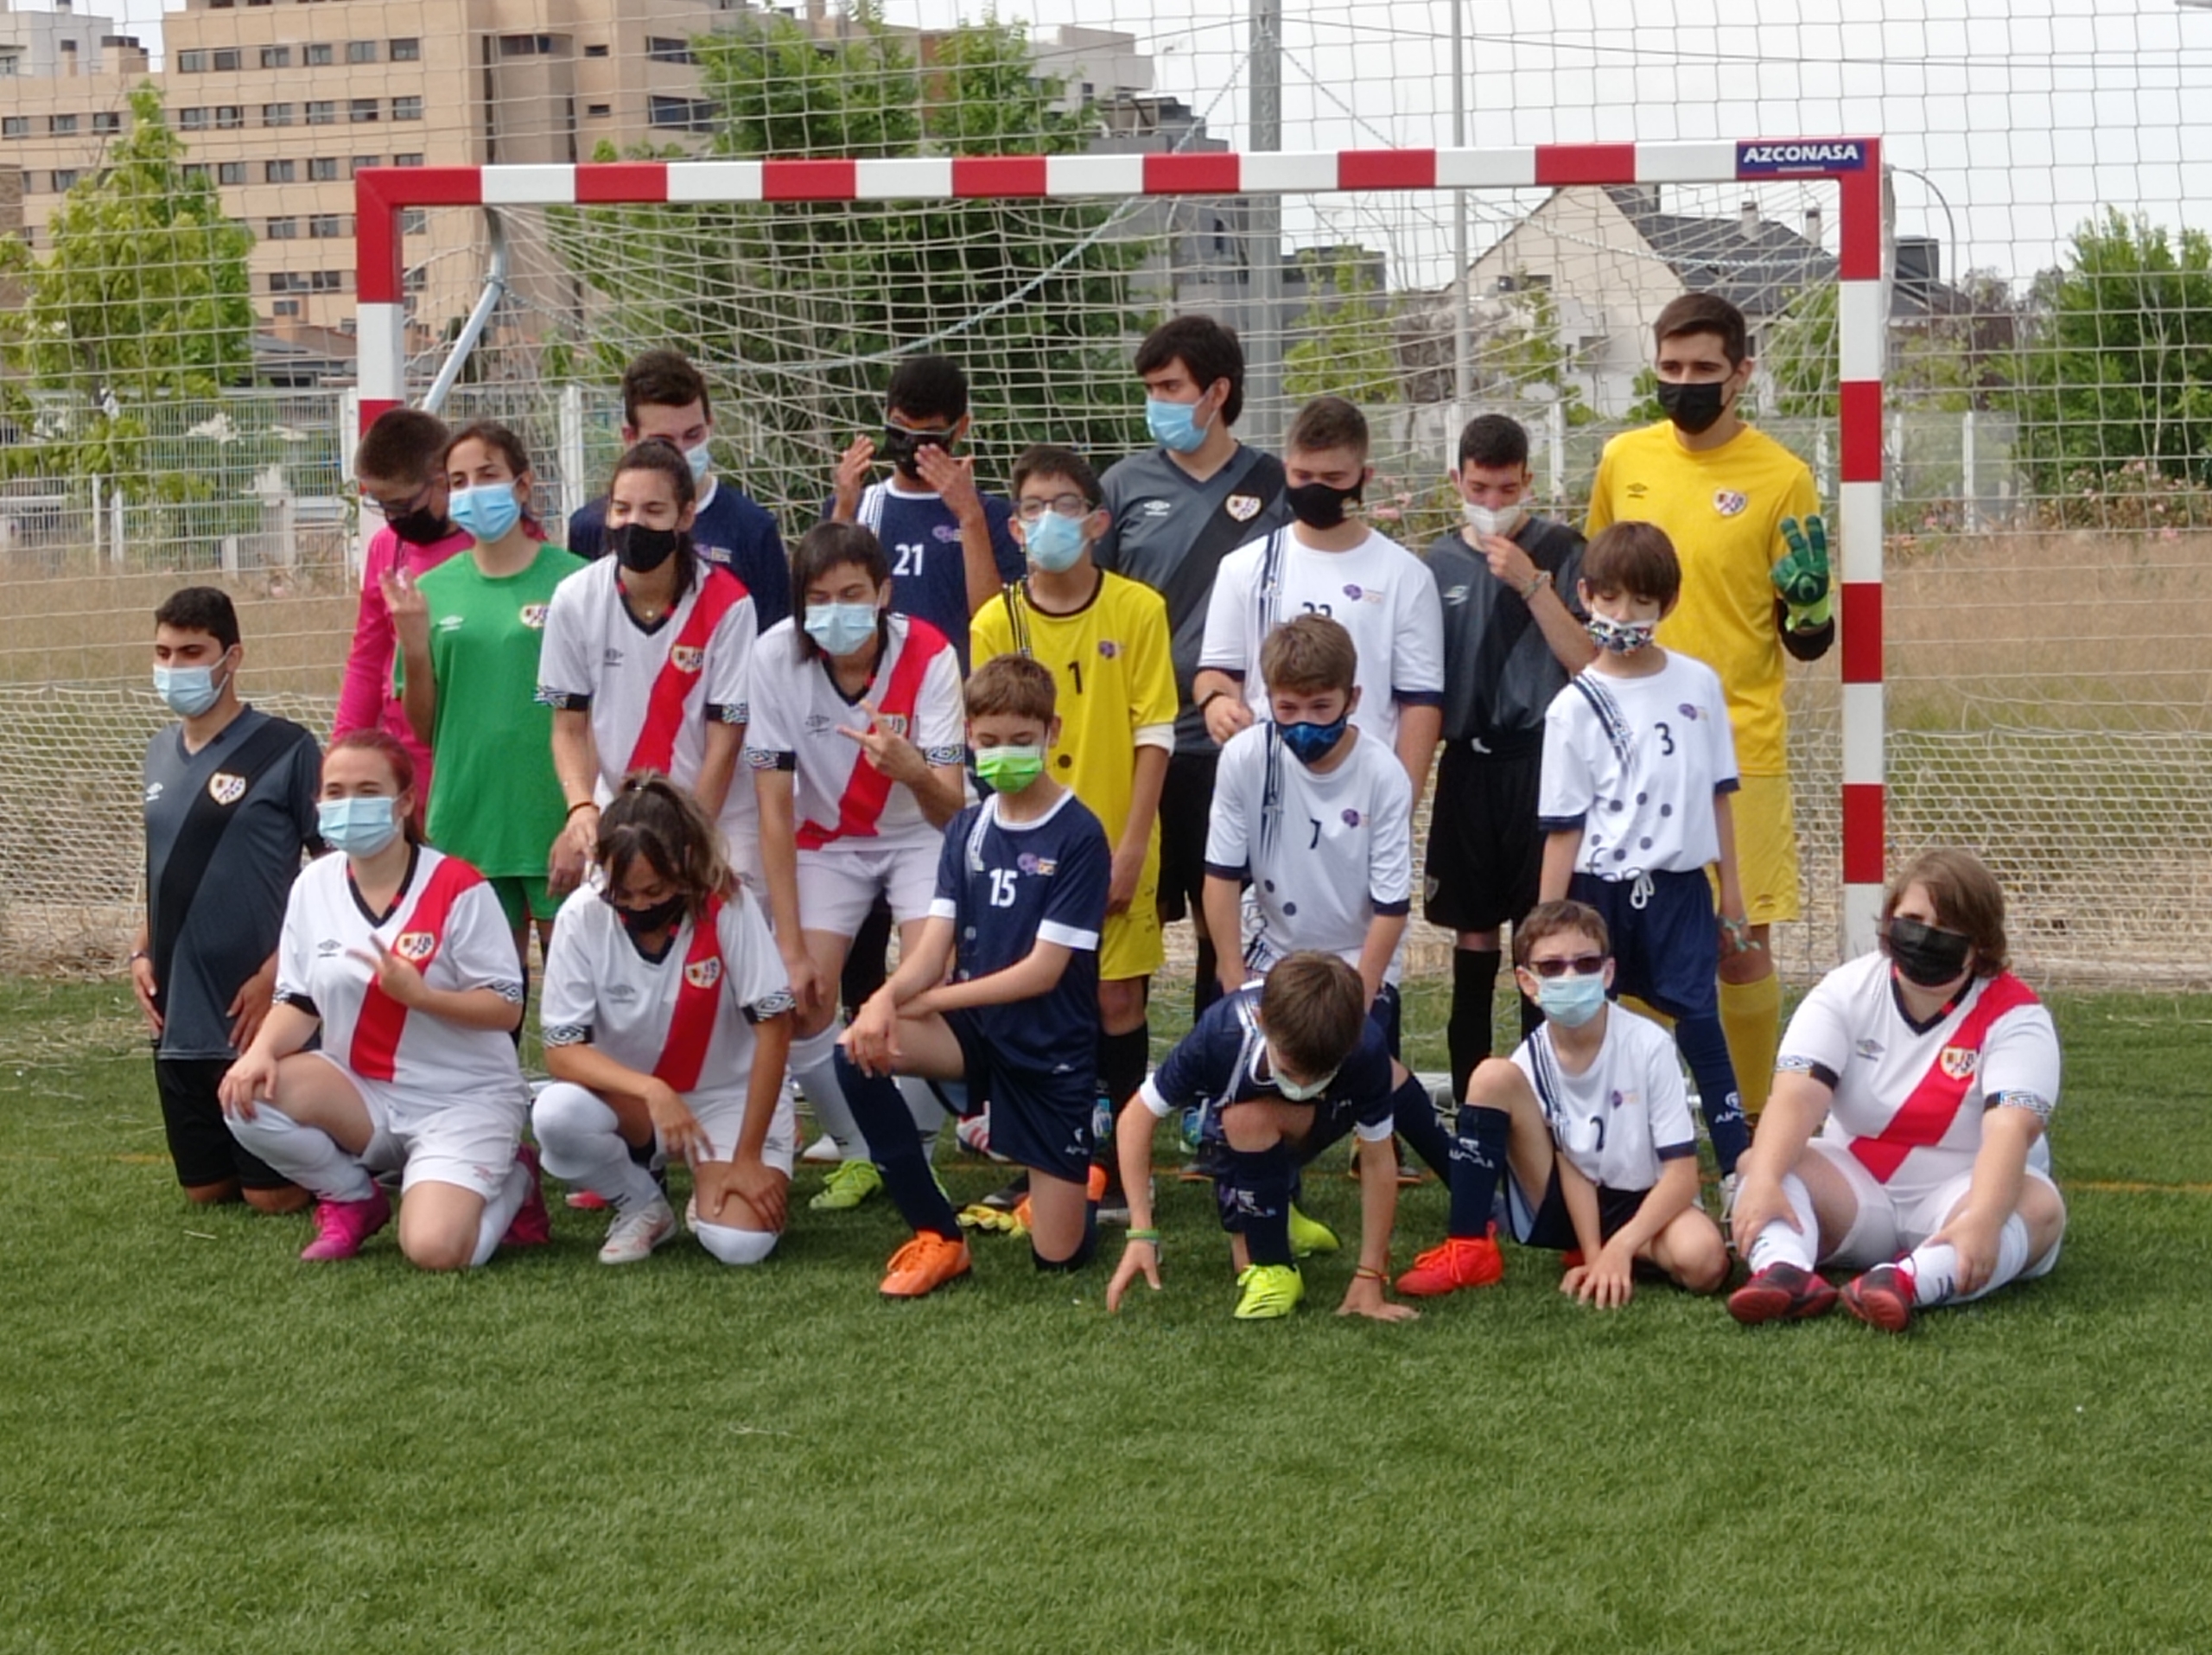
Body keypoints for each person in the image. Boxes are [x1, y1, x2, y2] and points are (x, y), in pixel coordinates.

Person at [1587, 292, 1833, 1127]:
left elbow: (1806, 638)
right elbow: (1600, 594)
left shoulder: (1784, 476)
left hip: (1740, 745)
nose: (1685, 384)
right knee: (1639, 944)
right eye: (1671, 368)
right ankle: (1642, 1128)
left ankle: (1760, 1128)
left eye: (1703, 370)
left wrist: (1808, 609)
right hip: (1632, 750)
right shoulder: (1624, 459)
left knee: (1739, 946)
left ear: (1742, 374)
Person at [832, 655, 1111, 1299]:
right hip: (975, 1033)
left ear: (1052, 732)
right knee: (855, 1049)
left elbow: (1041, 973)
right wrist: (883, 1000)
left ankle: (1079, 1182)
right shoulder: (965, 827)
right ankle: (939, 1235)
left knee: (1059, 1260)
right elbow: (931, 949)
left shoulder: (1079, 835)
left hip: (1049, 1048)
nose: (1002, 754)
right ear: (969, 741)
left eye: (1020, 740)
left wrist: (928, 997)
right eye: (987, 743)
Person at [217, 731, 545, 1269]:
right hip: (362, 1091)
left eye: (368, 791)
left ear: (406, 801)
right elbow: (298, 1002)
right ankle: (352, 1197)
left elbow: (506, 1008)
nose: (349, 806)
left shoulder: (460, 887)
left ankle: (515, 1179)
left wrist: (423, 997)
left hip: (461, 1099)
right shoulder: (312, 885)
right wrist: (259, 1052)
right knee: (246, 1095)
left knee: (435, 1251)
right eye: (335, 792)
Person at [967, 443, 1177, 1224]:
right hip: (1027, 844)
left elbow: (1155, 733)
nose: (1047, 520)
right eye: (1031, 507)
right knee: (1034, 1001)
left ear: (1096, 520)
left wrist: (1130, 845)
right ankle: (1043, 1165)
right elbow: (988, 736)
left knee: (1118, 1002)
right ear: (1015, 528)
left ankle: (1125, 1170)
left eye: (1063, 505)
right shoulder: (999, 619)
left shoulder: (1138, 609)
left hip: (1116, 837)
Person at [1728, 850, 2066, 1331]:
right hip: (1856, 1194)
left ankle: (1903, 1285)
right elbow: (1796, 1096)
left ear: (1981, 944)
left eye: (1948, 929)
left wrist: (1984, 1219)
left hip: (1960, 1194)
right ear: (1889, 920)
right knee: (1760, 1163)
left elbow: (2011, 1131)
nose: (1927, 936)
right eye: (1913, 919)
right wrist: (1762, 1181)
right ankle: (1784, 1273)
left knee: (2040, 1208)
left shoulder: (2018, 1017)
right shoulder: (1844, 990)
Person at [747, 522, 968, 1213]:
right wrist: (788, 944)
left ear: (883, 593)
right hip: (823, 841)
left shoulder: (930, 653)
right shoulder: (774, 656)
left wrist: (911, 770)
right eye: (818, 597)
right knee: (802, 995)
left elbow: (951, 811)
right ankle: (859, 1147)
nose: (834, 610)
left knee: (925, 987)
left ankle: (918, 1140)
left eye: (851, 594)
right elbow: (774, 812)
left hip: (915, 834)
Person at [1537, 521, 1754, 1196]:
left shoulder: (1699, 685)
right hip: (1597, 894)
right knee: (1586, 1024)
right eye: (1609, 599)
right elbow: (1564, 827)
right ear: (1585, 596)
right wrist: (1547, 920)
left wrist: (1733, 894)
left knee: (1699, 1022)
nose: (1623, 616)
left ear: (1669, 603)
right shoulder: (1573, 707)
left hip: (1680, 889)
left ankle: (1737, 1165)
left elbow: (1720, 795)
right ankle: (1580, 1164)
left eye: (1640, 602)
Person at [1093, 315, 1291, 1021]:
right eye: (1150, 388)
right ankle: (1113, 1080)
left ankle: (1218, 1064)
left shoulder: (1277, 486)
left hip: (1230, 745)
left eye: (1171, 386)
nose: (1158, 403)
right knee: (1127, 908)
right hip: (1137, 743)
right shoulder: (1121, 486)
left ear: (1217, 392)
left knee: (1225, 912)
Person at [1203, 617, 1446, 1174]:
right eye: (1287, 710)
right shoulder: (1245, 758)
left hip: (1358, 959)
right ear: (1267, 699)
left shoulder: (1383, 774)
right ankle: (1274, 1204)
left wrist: (1357, 999)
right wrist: (1233, 976)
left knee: (1362, 1066)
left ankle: (1469, 1189)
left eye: (1321, 707)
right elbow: (1219, 875)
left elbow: (1391, 907)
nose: (1304, 724)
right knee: (1238, 1104)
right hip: (1274, 954)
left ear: (1352, 698)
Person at [1395, 900, 1730, 1304]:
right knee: (1490, 1076)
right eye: (1552, 968)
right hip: (1569, 1205)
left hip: (1650, 1200)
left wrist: (1618, 1249)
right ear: (1527, 982)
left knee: (1705, 1262)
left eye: (1586, 964)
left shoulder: (1649, 1044)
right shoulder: (1530, 1061)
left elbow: (1681, 1176)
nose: (1571, 976)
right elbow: (1573, 1166)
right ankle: (1469, 1247)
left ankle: (1631, 1248)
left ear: (1608, 973)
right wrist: (1593, 1253)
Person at [532, 774, 798, 1266]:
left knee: (741, 1245)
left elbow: (775, 1029)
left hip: (728, 1095)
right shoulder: (580, 916)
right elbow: (562, 1052)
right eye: (623, 894)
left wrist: (746, 1159)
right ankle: (641, 1203)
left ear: (685, 863)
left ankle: (715, 1173)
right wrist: (653, 1090)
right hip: (638, 1101)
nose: (639, 906)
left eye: (654, 891)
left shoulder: (728, 904)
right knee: (556, 1115)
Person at [134, 586, 322, 1213]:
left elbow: (334, 879)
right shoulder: (157, 751)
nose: (175, 668)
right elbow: (158, 865)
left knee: (272, 1199)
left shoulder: (288, 749)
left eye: (192, 652)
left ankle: (359, 1156)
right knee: (206, 1194)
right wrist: (139, 950)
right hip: (178, 1015)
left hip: (256, 1012)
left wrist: (280, 974)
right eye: (163, 653)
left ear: (231, 656)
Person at [1425, 414, 1595, 1100]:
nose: (1492, 504)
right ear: (1456, 483)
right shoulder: (1434, 564)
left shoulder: (1564, 550)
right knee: (1472, 938)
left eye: (1505, 488)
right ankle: (1474, 1104)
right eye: (1478, 488)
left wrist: (1532, 583)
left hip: (1544, 766)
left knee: (1541, 935)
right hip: (1467, 765)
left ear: (1528, 481)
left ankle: (1542, 1098)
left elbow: (1588, 663)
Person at [1105, 952, 1418, 1323]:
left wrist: (1370, 1274)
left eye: (1317, 1075)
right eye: (1290, 1068)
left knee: (1250, 1118)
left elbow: (1378, 1158)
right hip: (1236, 1127)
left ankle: (1278, 1238)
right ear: (1261, 1021)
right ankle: (1279, 1238)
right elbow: (1135, 1119)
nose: (1301, 1085)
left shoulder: (1365, 1047)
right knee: (1244, 1123)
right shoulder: (1220, 1034)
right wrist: (1142, 1232)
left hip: (1323, 1121)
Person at [387, 422, 583, 963]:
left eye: (487, 475)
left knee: (578, 993)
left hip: (555, 818)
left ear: (523, 485)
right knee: (486, 1001)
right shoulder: (430, 591)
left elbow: (601, 714)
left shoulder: (577, 583)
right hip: (470, 818)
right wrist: (415, 645)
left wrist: (581, 815)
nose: (474, 491)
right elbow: (427, 727)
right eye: (459, 481)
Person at [1193, 394, 1445, 810]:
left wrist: (1401, 806)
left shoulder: (1406, 575)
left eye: (1333, 478)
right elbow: (1216, 672)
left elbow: (1420, 704)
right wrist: (1217, 703)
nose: (1315, 489)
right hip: (1267, 792)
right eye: (1303, 474)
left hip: (1361, 796)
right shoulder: (1244, 567)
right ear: (1285, 468)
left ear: (1364, 477)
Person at [540, 439, 760, 886]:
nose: (633, 523)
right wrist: (581, 809)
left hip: (715, 811)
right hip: (620, 808)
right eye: (621, 509)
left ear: (685, 516)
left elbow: (726, 741)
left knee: (717, 934)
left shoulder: (730, 604)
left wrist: (691, 836)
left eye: (653, 511)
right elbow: (567, 728)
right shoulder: (575, 597)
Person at [568, 348, 791, 629]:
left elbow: (773, 647)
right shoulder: (591, 527)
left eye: (693, 435)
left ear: (710, 426)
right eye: (664, 440)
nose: (682, 452)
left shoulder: (753, 529)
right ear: (630, 437)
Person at [829, 353, 1024, 665]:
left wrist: (970, 519)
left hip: (959, 691)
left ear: (960, 429)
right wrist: (842, 511)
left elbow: (994, 621)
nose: (911, 447)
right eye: (900, 431)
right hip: (878, 690)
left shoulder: (992, 516)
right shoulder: (858, 506)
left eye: (928, 436)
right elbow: (825, 606)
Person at [337, 407, 469, 808]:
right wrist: (342, 758)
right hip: (405, 769)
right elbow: (366, 658)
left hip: (466, 760)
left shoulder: (492, 548)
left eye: (401, 504)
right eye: (381, 506)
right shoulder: (386, 548)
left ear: (442, 478)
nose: (393, 519)